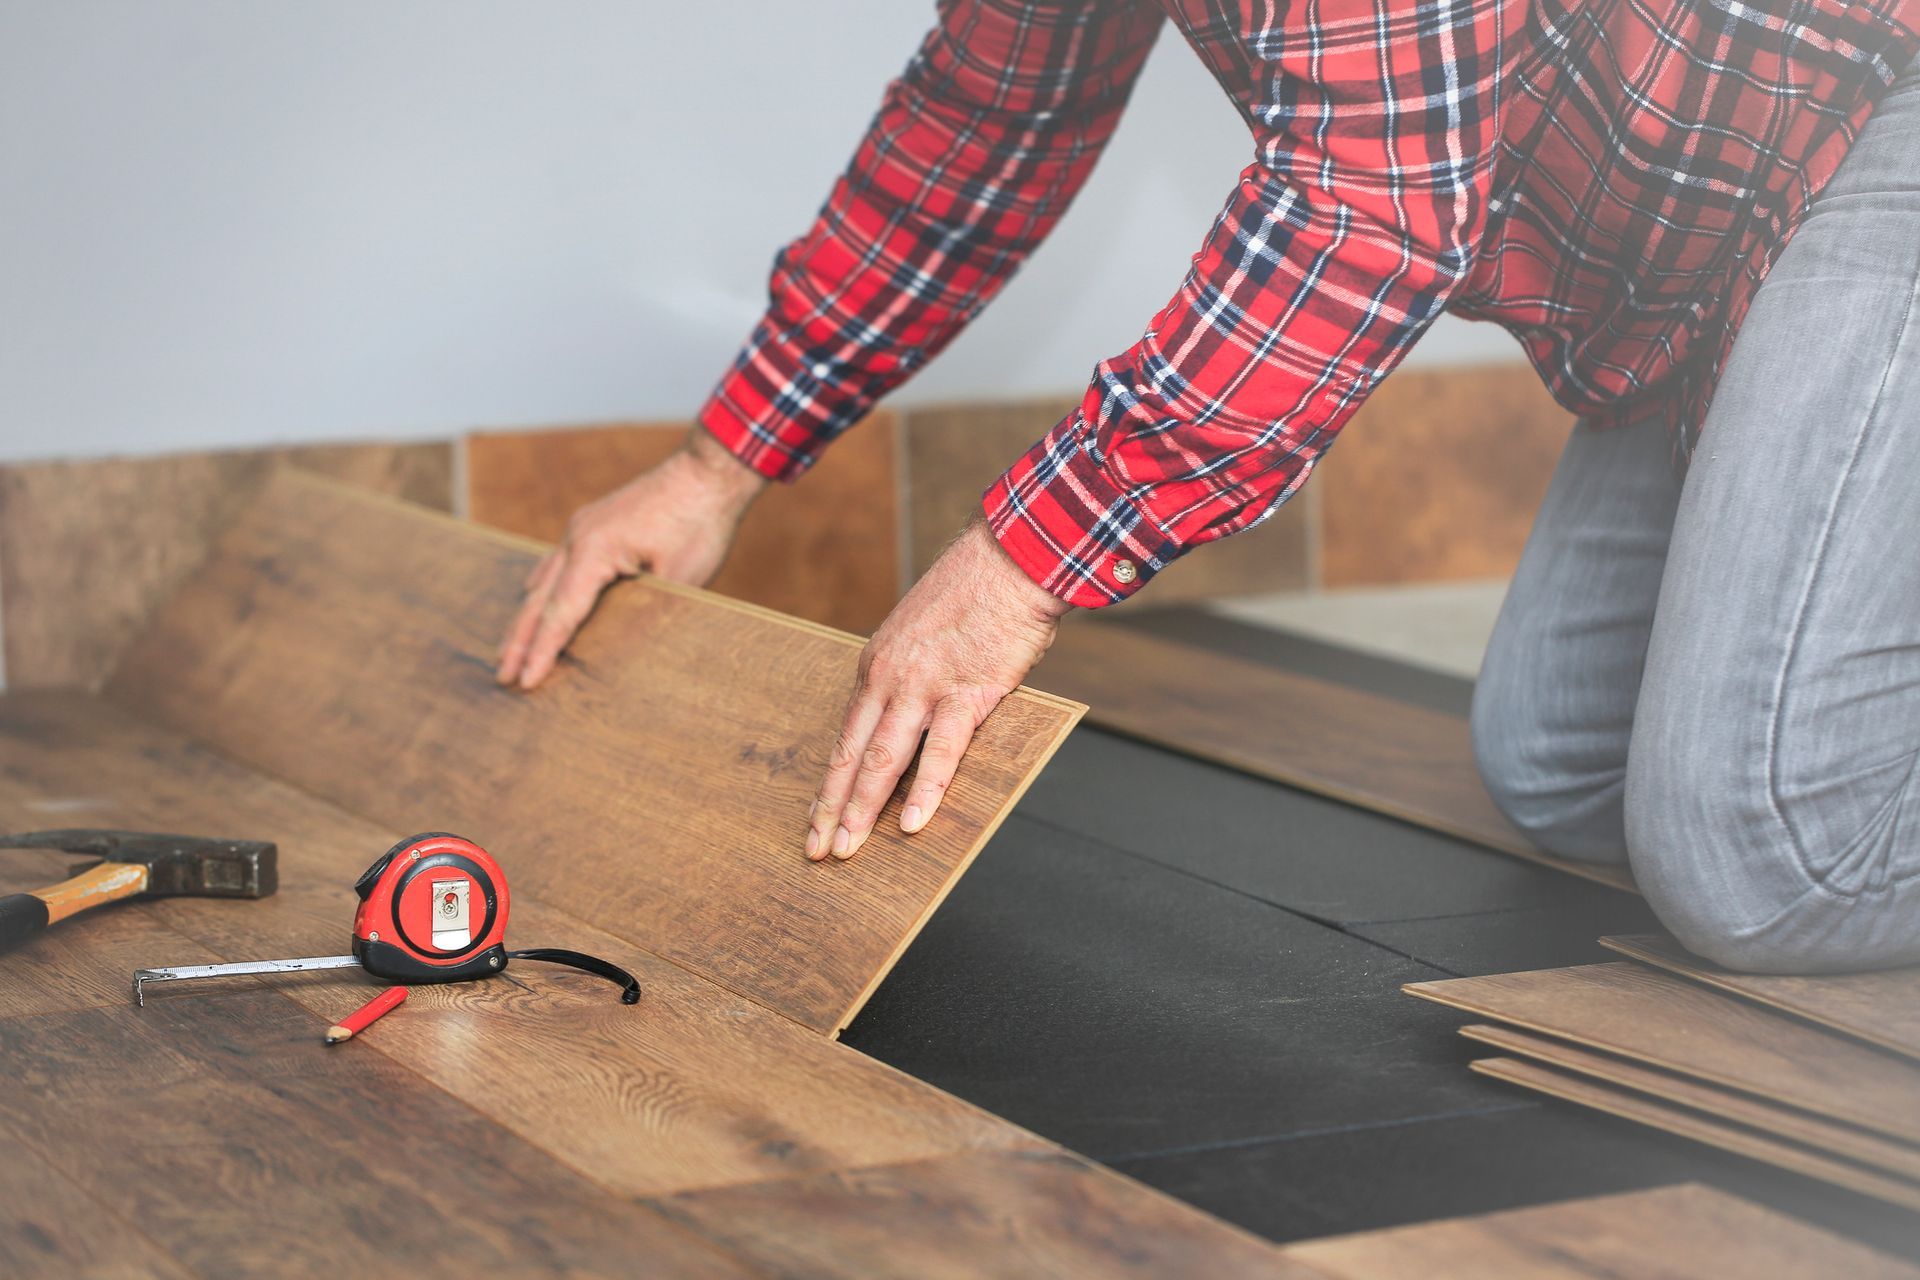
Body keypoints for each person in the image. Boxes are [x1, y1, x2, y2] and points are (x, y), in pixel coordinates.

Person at [496, 0, 1920, 974]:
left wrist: (1009, 572)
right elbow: (985, 119)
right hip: (1737, 210)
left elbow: (1366, 217)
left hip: (1887, 118)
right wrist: (714, 466)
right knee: (1560, 773)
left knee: (1766, 866)